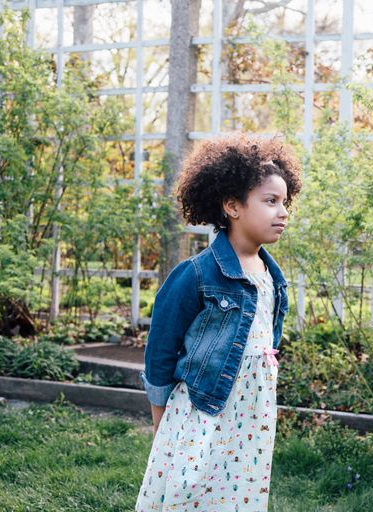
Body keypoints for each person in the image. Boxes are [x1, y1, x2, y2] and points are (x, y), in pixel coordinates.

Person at [135, 134, 301, 511]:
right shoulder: (196, 274)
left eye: (285, 202)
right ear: (232, 206)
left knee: (237, 496)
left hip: (251, 417)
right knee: (188, 493)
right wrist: (162, 425)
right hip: (201, 412)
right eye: (271, 201)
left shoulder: (272, 276)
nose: (283, 212)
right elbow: (160, 352)